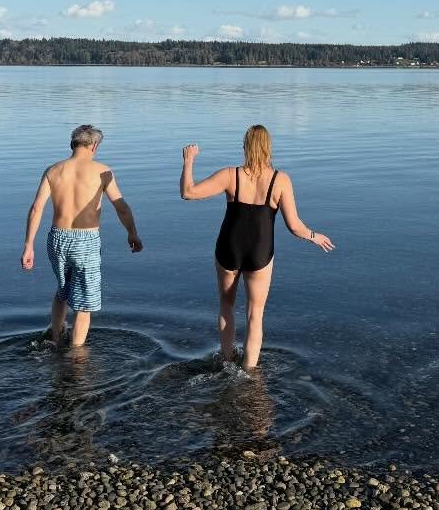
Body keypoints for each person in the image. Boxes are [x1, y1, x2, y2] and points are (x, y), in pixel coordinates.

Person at [179, 125, 334, 371]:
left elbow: (188, 193)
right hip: (260, 252)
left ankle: (227, 361)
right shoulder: (280, 180)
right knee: (255, 313)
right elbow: (295, 227)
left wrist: (189, 161)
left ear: (245, 147)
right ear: (268, 148)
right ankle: (249, 372)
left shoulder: (231, 175)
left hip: (229, 247)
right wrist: (314, 236)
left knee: (226, 305)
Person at [22, 124, 143, 350]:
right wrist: (132, 233)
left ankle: (56, 339)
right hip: (85, 240)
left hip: (57, 238)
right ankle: (76, 356)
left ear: (73, 143)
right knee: (84, 304)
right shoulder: (103, 171)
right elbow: (122, 207)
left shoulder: (53, 170)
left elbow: (36, 209)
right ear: (94, 145)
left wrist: (29, 246)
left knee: (62, 292)